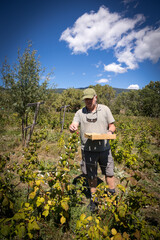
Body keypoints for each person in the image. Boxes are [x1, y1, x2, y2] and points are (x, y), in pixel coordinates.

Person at [69, 88, 116, 212]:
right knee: (91, 175)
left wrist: (110, 131)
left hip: (104, 148)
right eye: (86, 99)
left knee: (109, 172)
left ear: (95, 97)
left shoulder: (105, 109)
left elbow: (112, 125)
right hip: (88, 149)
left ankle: (112, 195)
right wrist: (72, 127)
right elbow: (74, 124)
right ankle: (93, 199)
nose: (88, 101)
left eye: (90, 98)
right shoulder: (80, 112)